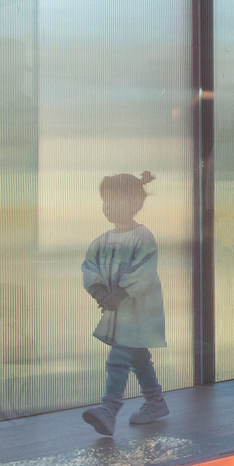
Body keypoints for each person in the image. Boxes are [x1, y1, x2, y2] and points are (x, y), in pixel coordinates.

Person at [81, 171, 169, 435]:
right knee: (138, 356)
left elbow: (144, 272)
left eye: (114, 200)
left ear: (134, 203)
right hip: (118, 311)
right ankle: (156, 402)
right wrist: (98, 291)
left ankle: (109, 408)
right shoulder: (102, 240)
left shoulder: (143, 237)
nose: (108, 206)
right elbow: (89, 266)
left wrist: (118, 294)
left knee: (119, 357)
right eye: (105, 201)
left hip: (138, 311)